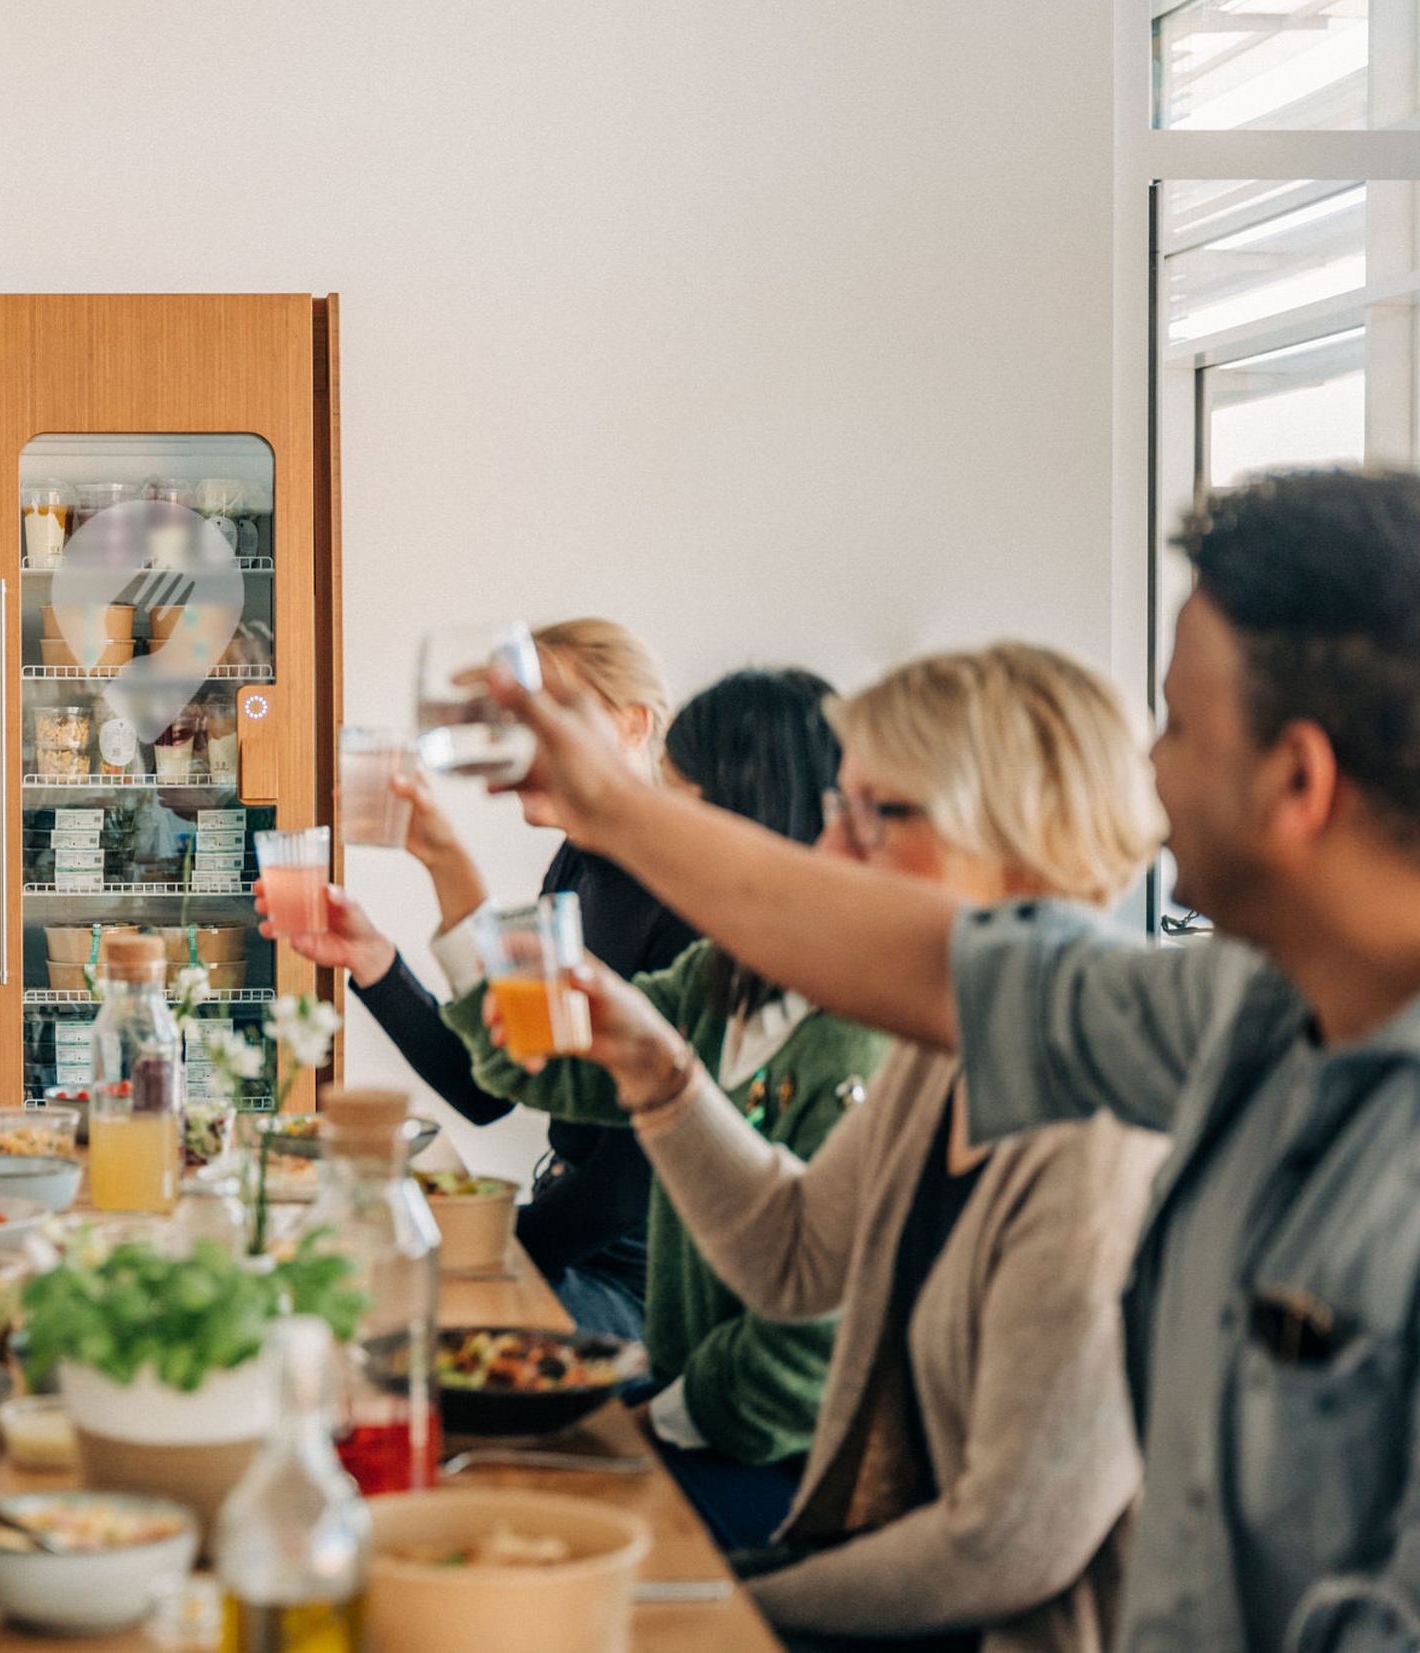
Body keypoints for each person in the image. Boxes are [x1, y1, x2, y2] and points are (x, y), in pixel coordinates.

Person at [487, 468, 1420, 1651]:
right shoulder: (1223, 1006)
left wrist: (712, 1610)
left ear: (1297, 779)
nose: (1150, 771)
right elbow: (816, 1213)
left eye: (1178, 726)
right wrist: (658, 1053)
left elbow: (1011, 1542)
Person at [502, 645, 1167, 1653]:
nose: (831, 851)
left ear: (1011, 831)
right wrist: (659, 1075)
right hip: (860, 1556)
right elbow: (795, 1257)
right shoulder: (939, 1051)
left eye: (874, 817)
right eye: (834, 811)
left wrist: (722, 1605)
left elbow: (1000, 1551)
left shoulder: (1095, 1112)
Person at [435, 668, 886, 1552]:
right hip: (693, 1411)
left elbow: (796, 1370)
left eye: (676, 809)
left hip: (795, 1470)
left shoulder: (854, 1040)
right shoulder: (717, 981)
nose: (658, 838)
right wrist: (444, 865)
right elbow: (543, 1066)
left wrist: (645, 1422)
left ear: (751, 818)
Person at [265, 619, 694, 1337]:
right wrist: (377, 965)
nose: (520, 738)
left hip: (644, 1284)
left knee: (374, 1313)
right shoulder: (576, 865)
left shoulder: (689, 891)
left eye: (548, 713)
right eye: (516, 714)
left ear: (633, 725)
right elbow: (494, 1085)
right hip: (571, 1241)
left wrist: (465, 1248)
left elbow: (626, 1190)